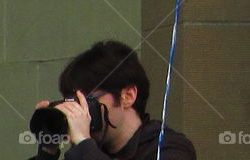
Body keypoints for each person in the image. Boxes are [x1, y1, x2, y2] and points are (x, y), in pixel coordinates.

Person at [28, 40, 196, 160]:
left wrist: (84, 144)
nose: (81, 111)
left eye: (86, 100)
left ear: (127, 96)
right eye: (74, 102)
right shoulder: (87, 152)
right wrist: (48, 150)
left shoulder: (170, 148)